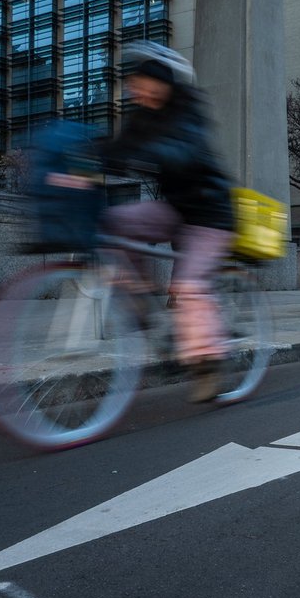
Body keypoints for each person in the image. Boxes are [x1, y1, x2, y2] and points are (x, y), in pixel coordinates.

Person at [99, 41, 235, 403]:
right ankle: (141, 297)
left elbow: (186, 151)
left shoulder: (188, 108)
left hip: (210, 216)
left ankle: (207, 366)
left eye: (140, 82)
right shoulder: (141, 117)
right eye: (131, 84)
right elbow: (116, 151)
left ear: (162, 84)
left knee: (188, 287)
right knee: (112, 221)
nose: (134, 89)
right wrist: (80, 159)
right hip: (174, 210)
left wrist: (148, 151)